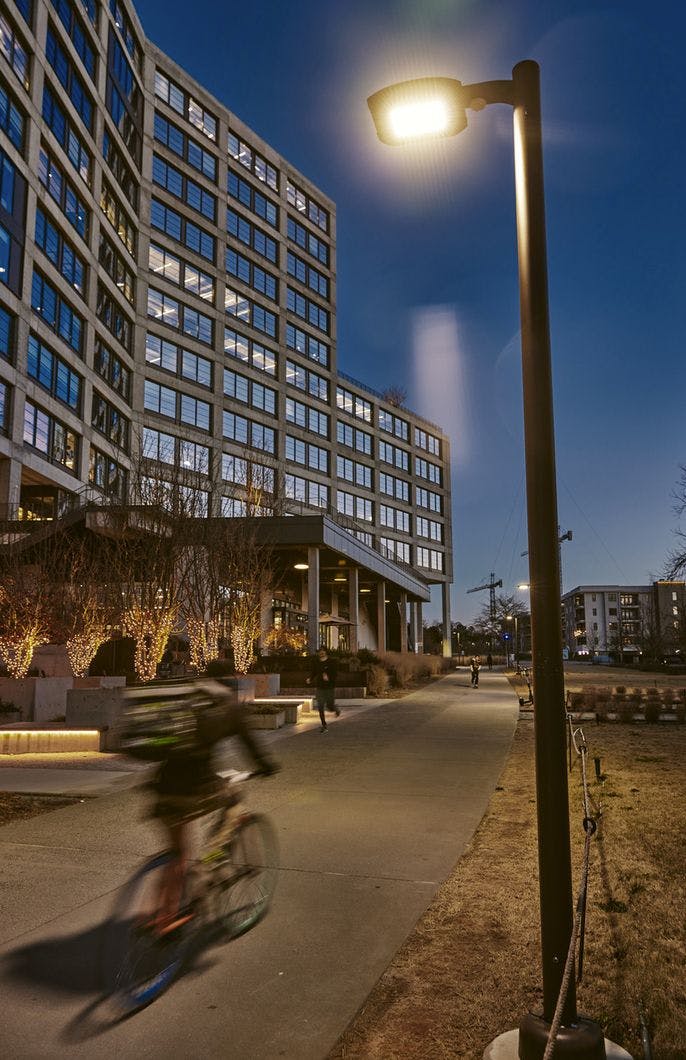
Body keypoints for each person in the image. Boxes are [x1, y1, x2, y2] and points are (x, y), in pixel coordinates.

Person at [150, 677, 278, 934]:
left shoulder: (185, 701)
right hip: (196, 787)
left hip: (162, 786)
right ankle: (210, 864)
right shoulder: (228, 706)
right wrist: (266, 766)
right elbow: (251, 746)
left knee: (177, 852)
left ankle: (159, 915)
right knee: (233, 801)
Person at [308, 648, 340, 732]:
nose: (321, 653)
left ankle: (335, 709)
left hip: (329, 687)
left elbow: (335, 674)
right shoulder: (316, 662)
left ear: (326, 652)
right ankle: (324, 725)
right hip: (320, 687)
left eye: (323, 651)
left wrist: (328, 677)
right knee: (320, 706)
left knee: (330, 706)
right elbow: (314, 672)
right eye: (319, 652)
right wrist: (310, 679)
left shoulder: (331, 662)